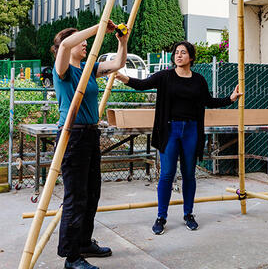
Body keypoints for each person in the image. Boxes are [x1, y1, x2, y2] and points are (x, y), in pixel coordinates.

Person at [115, 41, 241, 235]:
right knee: (167, 174)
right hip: (169, 130)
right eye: (176, 53)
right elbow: (142, 84)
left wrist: (230, 98)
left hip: (191, 130)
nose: (178, 55)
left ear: (191, 57)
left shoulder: (199, 80)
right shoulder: (165, 76)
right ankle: (161, 217)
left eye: (183, 53)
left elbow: (209, 101)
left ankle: (188, 214)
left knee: (189, 174)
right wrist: (122, 77)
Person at [51, 20, 128, 269]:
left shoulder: (89, 68)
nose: (85, 44)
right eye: (80, 41)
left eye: (85, 41)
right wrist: (99, 27)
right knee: (76, 197)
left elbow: (118, 64)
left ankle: (84, 242)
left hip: (91, 134)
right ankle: (71, 257)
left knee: (92, 192)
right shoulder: (63, 69)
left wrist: (121, 41)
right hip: (72, 135)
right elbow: (64, 45)